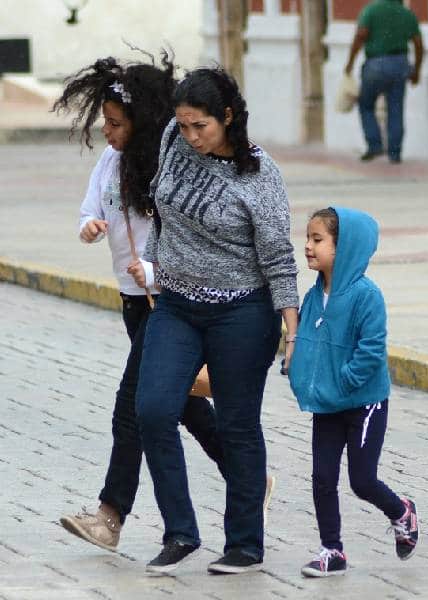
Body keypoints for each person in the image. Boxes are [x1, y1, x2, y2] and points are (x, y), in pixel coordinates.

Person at [52, 53, 226, 553]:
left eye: (115, 123)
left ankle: (110, 516)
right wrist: (89, 227)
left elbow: (191, 237)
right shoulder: (110, 163)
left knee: (132, 406)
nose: (106, 131)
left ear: (142, 123)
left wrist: (154, 269)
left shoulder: (169, 169)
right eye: (104, 122)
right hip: (133, 302)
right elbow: (90, 208)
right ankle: (248, 477)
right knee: (183, 404)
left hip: (167, 302)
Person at [133, 67, 298, 575]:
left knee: (237, 423)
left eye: (199, 126)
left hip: (241, 312)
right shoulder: (172, 140)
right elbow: (160, 205)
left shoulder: (260, 176)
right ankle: (180, 532)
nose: (189, 136)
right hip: (177, 303)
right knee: (154, 408)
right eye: (182, 125)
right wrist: (154, 261)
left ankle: (245, 544)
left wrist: (291, 327)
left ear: (227, 117)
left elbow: (278, 256)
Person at [288, 207, 419, 577]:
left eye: (318, 240)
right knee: (322, 478)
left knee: (362, 480)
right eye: (307, 239)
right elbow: (308, 345)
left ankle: (401, 511)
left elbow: (371, 349)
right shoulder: (314, 295)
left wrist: (344, 381)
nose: (308, 247)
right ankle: (332, 550)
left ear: (342, 247)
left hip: (364, 403)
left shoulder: (366, 295)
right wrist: (302, 376)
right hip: (328, 404)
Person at [344, 0, 424, 164]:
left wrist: (350, 62)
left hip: (376, 64)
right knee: (396, 108)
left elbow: (361, 35)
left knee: (365, 104)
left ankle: (374, 144)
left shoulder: (371, 10)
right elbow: (419, 44)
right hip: (400, 64)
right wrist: (416, 70)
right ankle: (395, 153)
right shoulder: (407, 14)